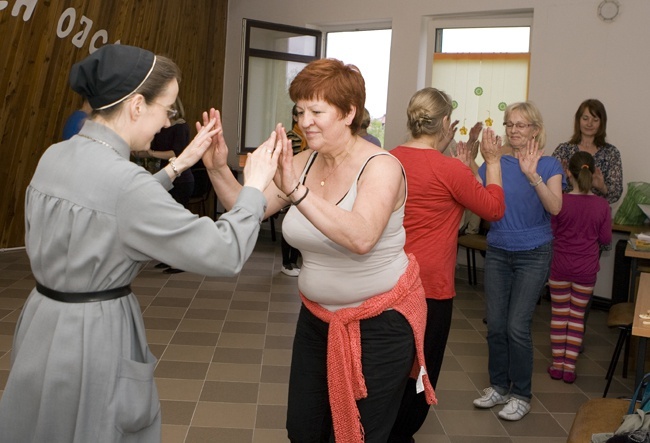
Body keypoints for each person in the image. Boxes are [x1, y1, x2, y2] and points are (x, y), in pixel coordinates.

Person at [0, 44, 281, 442]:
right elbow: (224, 252)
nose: (166, 122)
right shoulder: (124, 183)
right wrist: (254, 186)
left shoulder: (56, 155)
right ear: (135, 106)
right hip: (94, 332)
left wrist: (178, 165)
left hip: (43, 320)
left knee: (42, 425)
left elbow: (106, 210)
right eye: (165, 108)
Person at [203, 58, 435, 443]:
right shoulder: (303, 162)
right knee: (304, 429)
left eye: (316, 111)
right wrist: (216, 168)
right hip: (317, 320)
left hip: (381, 324)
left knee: (361, 435)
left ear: (348, 113)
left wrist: (297, 191)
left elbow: (361, 237)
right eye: (299, 110)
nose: (304, 120)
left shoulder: (382, 166)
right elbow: (247, 208)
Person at [387, 87, 506, 442]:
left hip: (384, 282)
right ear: (443, 122)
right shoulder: (451, 169)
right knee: (420, 368)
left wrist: (438, 146)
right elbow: (494, 210)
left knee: (387, 362)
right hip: (429, 289)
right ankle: (400, 432)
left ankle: (378, 427)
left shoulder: (387, 160)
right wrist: (494, 162)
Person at [473, 101, 564, 421]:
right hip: (498, 250)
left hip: (534, 253)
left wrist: (532, 175)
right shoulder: (493, 163)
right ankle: (498, 386)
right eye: (509, 124)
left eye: (521, 125)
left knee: (516, 326)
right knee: (496, 325)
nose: (513, 130)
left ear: (535, 130)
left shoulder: (551, 165)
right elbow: (481, 203)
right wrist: (470, 165)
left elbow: (555, 208)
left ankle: (521, 394)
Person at [548, 151, 612, 383]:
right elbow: (605, 239)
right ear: (594, 173)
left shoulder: (559, 200)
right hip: (586, 270)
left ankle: (557, 365)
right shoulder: (602, 205)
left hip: (560, 267)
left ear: (568, 173)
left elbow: (552, 232)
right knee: (576, 318)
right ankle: (569, 368)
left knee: (559, 316)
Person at [140, 97, 194, 274]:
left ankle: (181, 262)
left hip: (181, 180)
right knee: (165, 222)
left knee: (177, 223)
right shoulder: (162, 128)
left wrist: (151, 153)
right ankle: (169, 258)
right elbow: (152, 150)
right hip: (166, 179)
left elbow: (176, 153)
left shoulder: (181, 127)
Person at [552, 99, 623, 204]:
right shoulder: (563, 150)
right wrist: (560, 178)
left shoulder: (611, 153)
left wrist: (602, 187)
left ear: (602, 123)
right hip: (567, 210)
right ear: (578, 120)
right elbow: (549, 189)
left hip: (596, 212)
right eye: (585, 118)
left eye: (595, 120)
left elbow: (616, 194)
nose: (589, 124)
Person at [281, 104, 305, 276]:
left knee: (301, 225)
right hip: (292, 186)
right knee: (290, 223)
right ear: (295, 117)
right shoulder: (291, 137)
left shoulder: (311, 138)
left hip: (305, 186)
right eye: (300, 114)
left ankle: (294, 262)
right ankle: (285, 262)